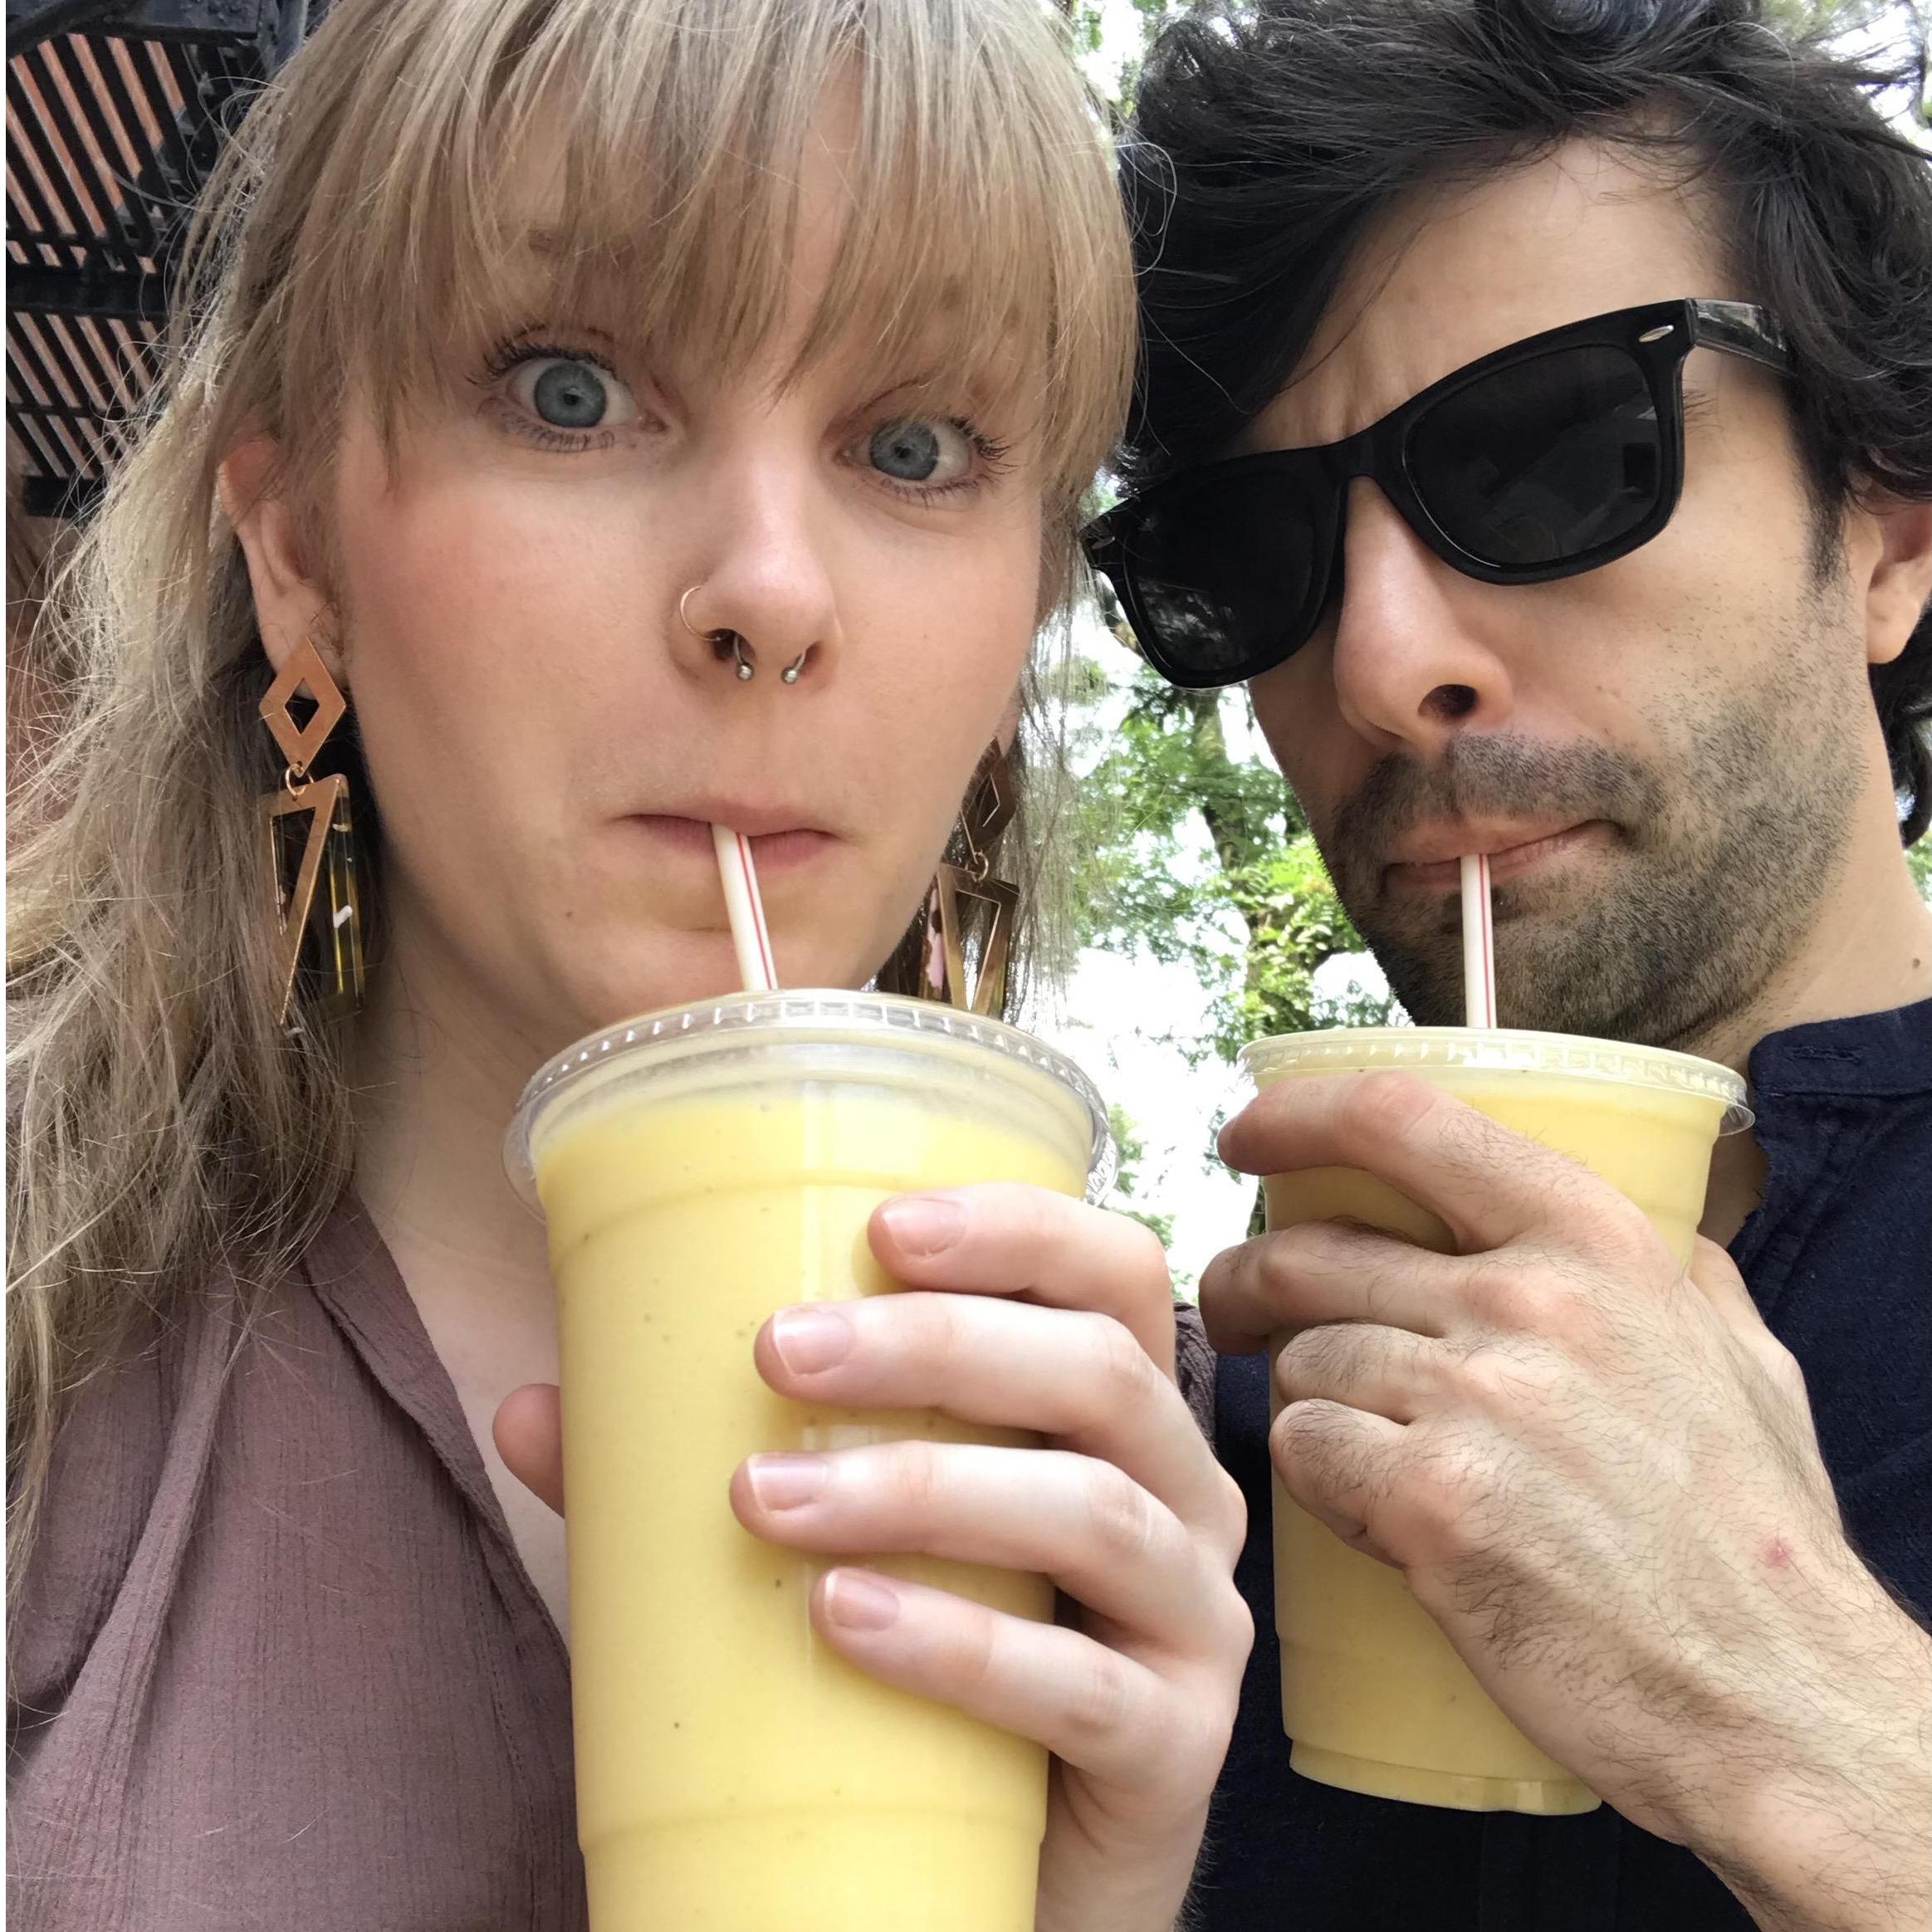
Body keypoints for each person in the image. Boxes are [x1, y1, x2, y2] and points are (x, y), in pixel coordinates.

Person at [3, 3, 1253, 1927]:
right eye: (571, 391)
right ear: (297, 552)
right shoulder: (41, 1365)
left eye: (913, 445)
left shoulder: (1102, 1477)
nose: (770, 589)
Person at [1088, 0, 1932, 1925]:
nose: (1381, 664)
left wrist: (1825, 1721)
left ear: (1889, 533)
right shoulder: (1204, 1501)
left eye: (1555, 454)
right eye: (1253, 551)